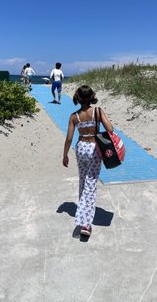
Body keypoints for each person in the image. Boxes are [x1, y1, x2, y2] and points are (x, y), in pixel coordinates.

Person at [62, 85, 113, 237]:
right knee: (91, 184)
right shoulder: (97, 111)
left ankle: (83, 212)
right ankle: (85, 223)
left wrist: (65, 155)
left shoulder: (74, 116)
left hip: (81, 148)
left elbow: (69, 138)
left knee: (83, 181)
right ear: (92, 96)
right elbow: (110, 129)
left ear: (77, 98)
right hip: (95, 149)